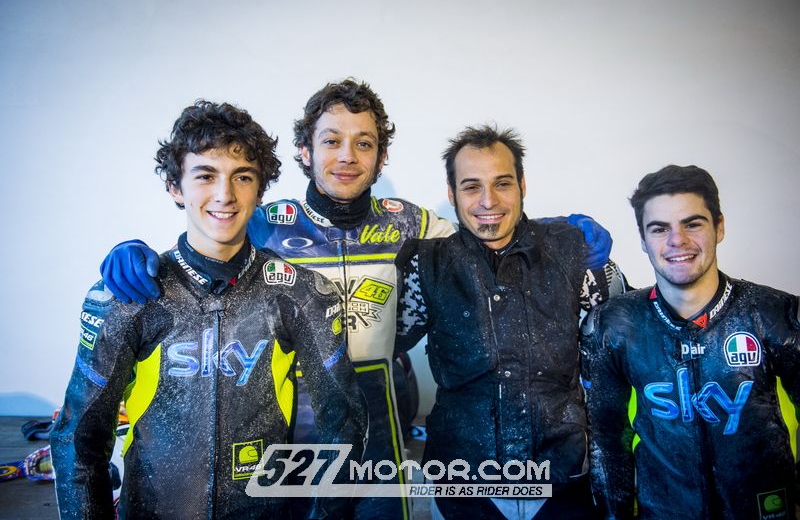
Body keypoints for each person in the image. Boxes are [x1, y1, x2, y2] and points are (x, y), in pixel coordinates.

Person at [98, 80, 612, 519]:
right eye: (331, 141)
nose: (347, 155)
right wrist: (138, 252)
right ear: (305, 152)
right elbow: (207, 237)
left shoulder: (410, 223)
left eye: (363, 143)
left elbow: (486, 226)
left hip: (377, 415)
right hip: (277, 416)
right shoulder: (264, 221)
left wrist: (564, 232)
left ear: (381, 157)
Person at [50, 100, 367, 519]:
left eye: (243, 177)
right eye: (205, 175)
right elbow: (78, 441)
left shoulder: (300, 293)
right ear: (175, 187)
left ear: (260, 190)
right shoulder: (130, 295)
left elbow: (343, 425)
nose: (224, 195)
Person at [395, 125, 626, 520]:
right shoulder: (426, 264)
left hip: (563, 480)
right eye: (471, 187)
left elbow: (623, 354)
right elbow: (382, 345)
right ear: (452, 194)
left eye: (502, 183)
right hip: (463, 485)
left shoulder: (577, 252)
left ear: (522, 185)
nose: (488, 200)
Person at [580, 165, 800, 519]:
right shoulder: (614, 325)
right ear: (643, 239)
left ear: (719, 227)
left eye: (692, 224)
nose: (677, 240)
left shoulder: (774, 312)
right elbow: (606, 440)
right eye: (659, 228)